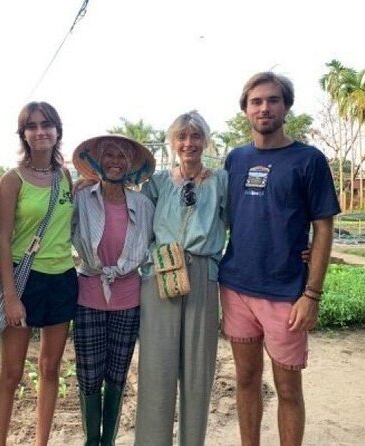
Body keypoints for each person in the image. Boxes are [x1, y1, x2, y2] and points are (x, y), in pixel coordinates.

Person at [218, 72, 341, 446]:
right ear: (245, 110)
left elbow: (323, 228)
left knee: (288, 388)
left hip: (286, 293)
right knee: (245, 378)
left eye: (272, 100)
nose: (264, 108)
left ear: (286, 106)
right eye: (256, 102)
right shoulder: (235, 159)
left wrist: (312, 294)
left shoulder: (308, 160)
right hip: (236, 286)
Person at [134, 111, 228, 446]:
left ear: (205, 140)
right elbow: (137, 226)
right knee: (156, 368)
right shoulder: (157, 183)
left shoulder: (220, 181)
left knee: (198, 371)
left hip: (203, 273)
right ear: (172, 143)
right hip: (160, 273)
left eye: (195, 136)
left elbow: (241, 223)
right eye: (181, 137)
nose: (189, 143)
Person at [0, 101, 78, 446]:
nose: (40, 131)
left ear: (57, 131)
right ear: (23, 134)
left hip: (62, 279)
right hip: (24, 280)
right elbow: (4, 241)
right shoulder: (12, 181)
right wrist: (11, 297)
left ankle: (41, 441)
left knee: (50, 368)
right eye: (32, 126)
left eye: (47, 125)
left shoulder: (66, 177)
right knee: (10, 375)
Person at [71, 135, 156, 445]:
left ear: (131, 164)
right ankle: (92, 439)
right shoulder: (81, 198)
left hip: (128, 300)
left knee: (117, 376)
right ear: (97, 161)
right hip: (88, 297)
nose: (115, 161)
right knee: (89, 376)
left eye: (122, 156)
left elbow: (156, 241)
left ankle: (108, 440)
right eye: (108, 155)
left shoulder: (144, 204)